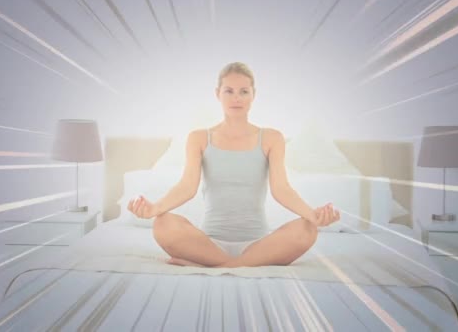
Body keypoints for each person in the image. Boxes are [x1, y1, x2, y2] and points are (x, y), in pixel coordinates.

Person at [127, 62, 340, 268]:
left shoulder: (272, 138)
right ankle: (236, 264)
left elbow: (282, 190)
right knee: (163, 224)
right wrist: (154, 209)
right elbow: (186, 187)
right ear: (217, 93)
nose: (236, 98)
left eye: (243, 91)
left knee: (307, 229)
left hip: (260, 246)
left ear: (253, 95)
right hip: (207, 245)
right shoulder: (199, 138)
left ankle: (216, 266)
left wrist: (314, 215)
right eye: (229, 91)